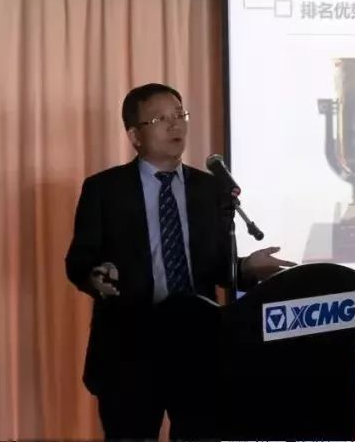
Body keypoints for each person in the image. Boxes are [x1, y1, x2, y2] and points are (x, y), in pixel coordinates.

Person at [65, 83, 293, 441]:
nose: (175, 125)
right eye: (160, 119)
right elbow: (79, 259)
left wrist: (245, 269)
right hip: (130, 350)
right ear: (135, 135)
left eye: (179, 115)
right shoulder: (104, 189)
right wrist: (96, 276)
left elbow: (216, 266)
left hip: (198, 348)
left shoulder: (209, 189)